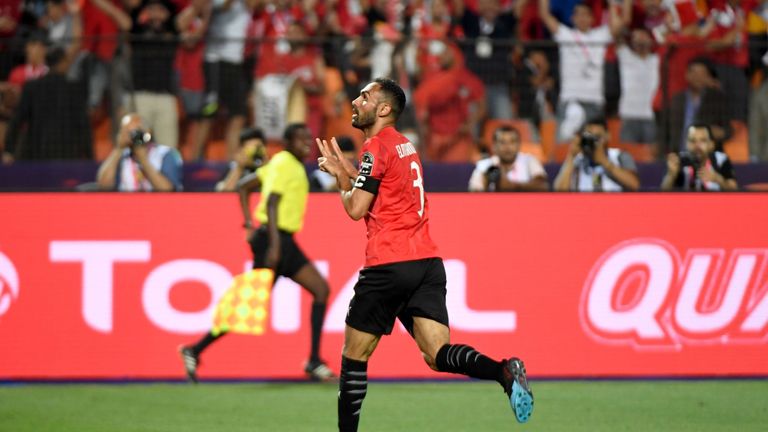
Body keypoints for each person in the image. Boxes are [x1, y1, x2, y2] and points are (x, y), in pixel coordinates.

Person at [315, 78, 534, 431]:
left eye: (365, 96)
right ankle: (503, 371)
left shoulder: (374, 147)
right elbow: (383, 194)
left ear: (384, 109)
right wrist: (351, 173)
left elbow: (356, 208)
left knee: (354, 357)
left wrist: (342, 180)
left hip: (388, 263)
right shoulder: (405, 146)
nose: (355, 101)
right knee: (438, 355)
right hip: (426, 265)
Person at [179, 123, 335, 383]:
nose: (306, 143)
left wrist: (249, 224)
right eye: (300, 139)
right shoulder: (286, 164)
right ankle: (193, 349)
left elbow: (243, 186)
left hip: (281, 240)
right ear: (287, 141)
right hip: (275, 241)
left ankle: (314, 361)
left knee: (320, 290)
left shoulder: (278, 164)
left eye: (308, 139)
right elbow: (272, 202)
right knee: (247, 305)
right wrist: (273, 244)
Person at [538, 0, 626, 141]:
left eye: (586, 15)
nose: (582, 18)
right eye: (578, 15)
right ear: (572, 18)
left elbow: (620, 24)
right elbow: (545, 15)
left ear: (592, 19)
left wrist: (611, 4)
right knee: (564, 145)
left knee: (594, 148)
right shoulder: (565, 34)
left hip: (595, 102)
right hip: (570, 99)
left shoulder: (600, 35)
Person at [3, 46, 92, 162]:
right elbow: (83, 124)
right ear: (63, 62)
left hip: (36, 153)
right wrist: (90, 156)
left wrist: (9, 150)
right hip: (67, 155)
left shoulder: (32, 87)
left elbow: (18, 119)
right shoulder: (74, 89)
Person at [95, 112, 183, 191]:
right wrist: (118, 149)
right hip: (126, 205)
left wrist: (143, 160)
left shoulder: (165, 154)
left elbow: (167, 191)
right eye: (126, 132)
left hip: (157, 206)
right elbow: (103, 186)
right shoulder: (121, 156)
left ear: (148, 132)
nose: (132, 137)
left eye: (136, 132)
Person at [553, 117, 640, 192]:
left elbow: (634, 185)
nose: (594, 142)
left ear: (607, 136)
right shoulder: (576, 160)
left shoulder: (619, 156)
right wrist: (571, 156)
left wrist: (605, 162)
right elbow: (559, 192)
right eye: (590, 138)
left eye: (597, 137)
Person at [468, 125, 549, 192]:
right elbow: (474, 192)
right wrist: (486, 180)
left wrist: (513, 186)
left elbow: (543, 186)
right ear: (494, 147)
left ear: (519, 145)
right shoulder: (485, 165)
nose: (508, 147)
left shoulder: (529, 160)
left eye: (512, 142)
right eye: (502, 142)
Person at [661, 123, 738, 191]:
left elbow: (735, 190)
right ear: (686, 144)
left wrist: (717, 179)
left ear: (711, 144)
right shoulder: (679, 161)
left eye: (703, 140)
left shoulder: (720, 160)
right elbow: (663, 194)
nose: (697, 146)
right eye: (692, 140)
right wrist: (671, 175)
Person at [215, 127, 266, 192]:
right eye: (250, 148)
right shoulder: (232, 167)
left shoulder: (272, 167)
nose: (254, 153)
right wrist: (239, 168)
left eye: (258, 148)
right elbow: (224, 194)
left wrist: (265, 167)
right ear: (241, 149)